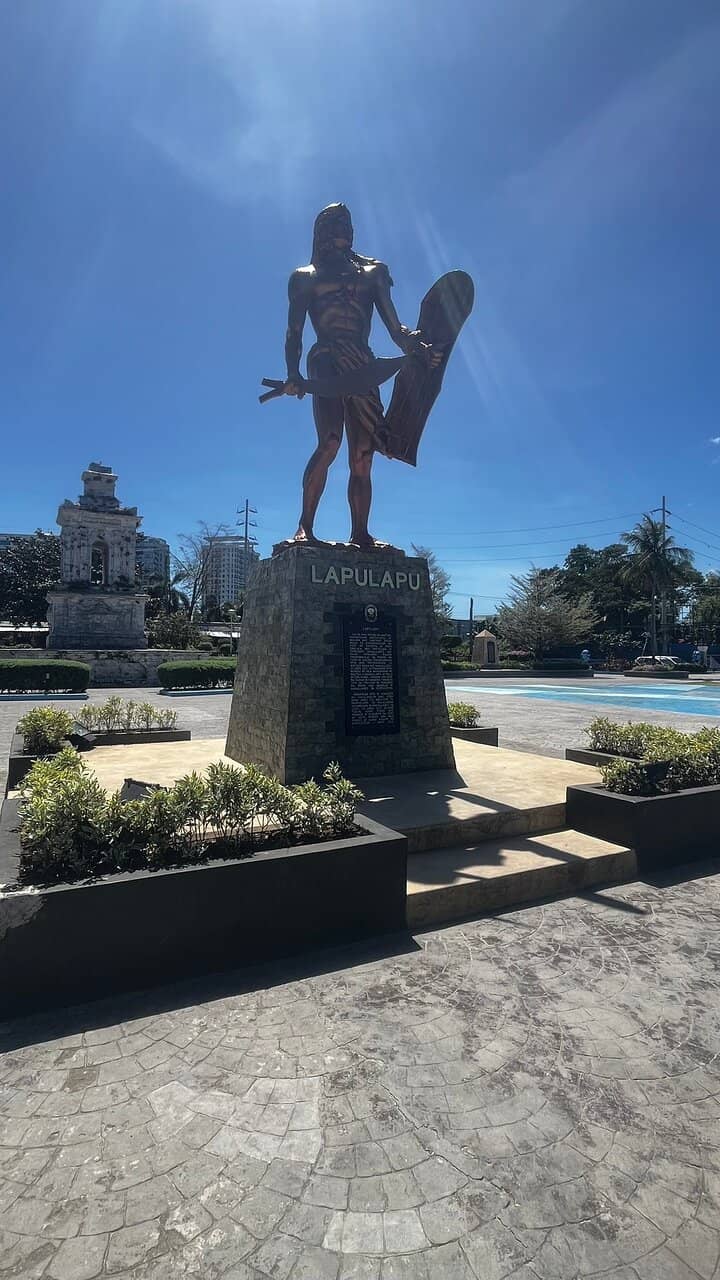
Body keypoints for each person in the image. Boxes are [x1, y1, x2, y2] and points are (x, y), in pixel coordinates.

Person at [283, 204, 432, 549]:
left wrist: (413, 343)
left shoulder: (373, 273)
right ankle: (305, 526)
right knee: (330, 442)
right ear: (321, 232)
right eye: (337, 223)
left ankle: (360, 533)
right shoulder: (305, 277)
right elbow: (294, 332)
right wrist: (292, 373)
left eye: (348, 223)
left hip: (363, 363)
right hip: (326, 359)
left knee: (363, 456)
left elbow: (394, 327)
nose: (346, 229)